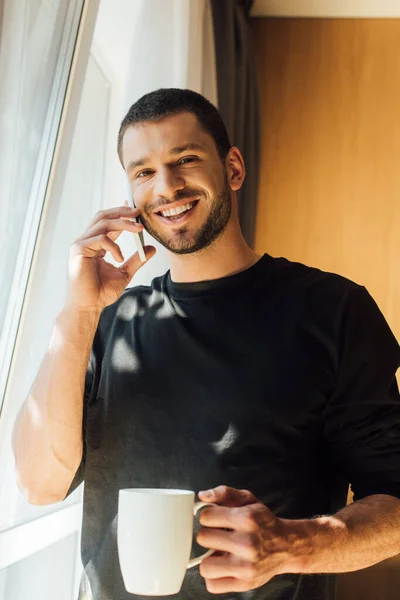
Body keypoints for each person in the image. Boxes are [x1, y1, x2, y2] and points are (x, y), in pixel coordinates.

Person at [13, 88, 400, 600]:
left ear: (233, 168)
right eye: (143, 171)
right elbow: (40, 485)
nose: (167, 187)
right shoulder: (104, 324)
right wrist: (77, 314)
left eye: (186, 159)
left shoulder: (334, 311)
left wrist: (292, 545)